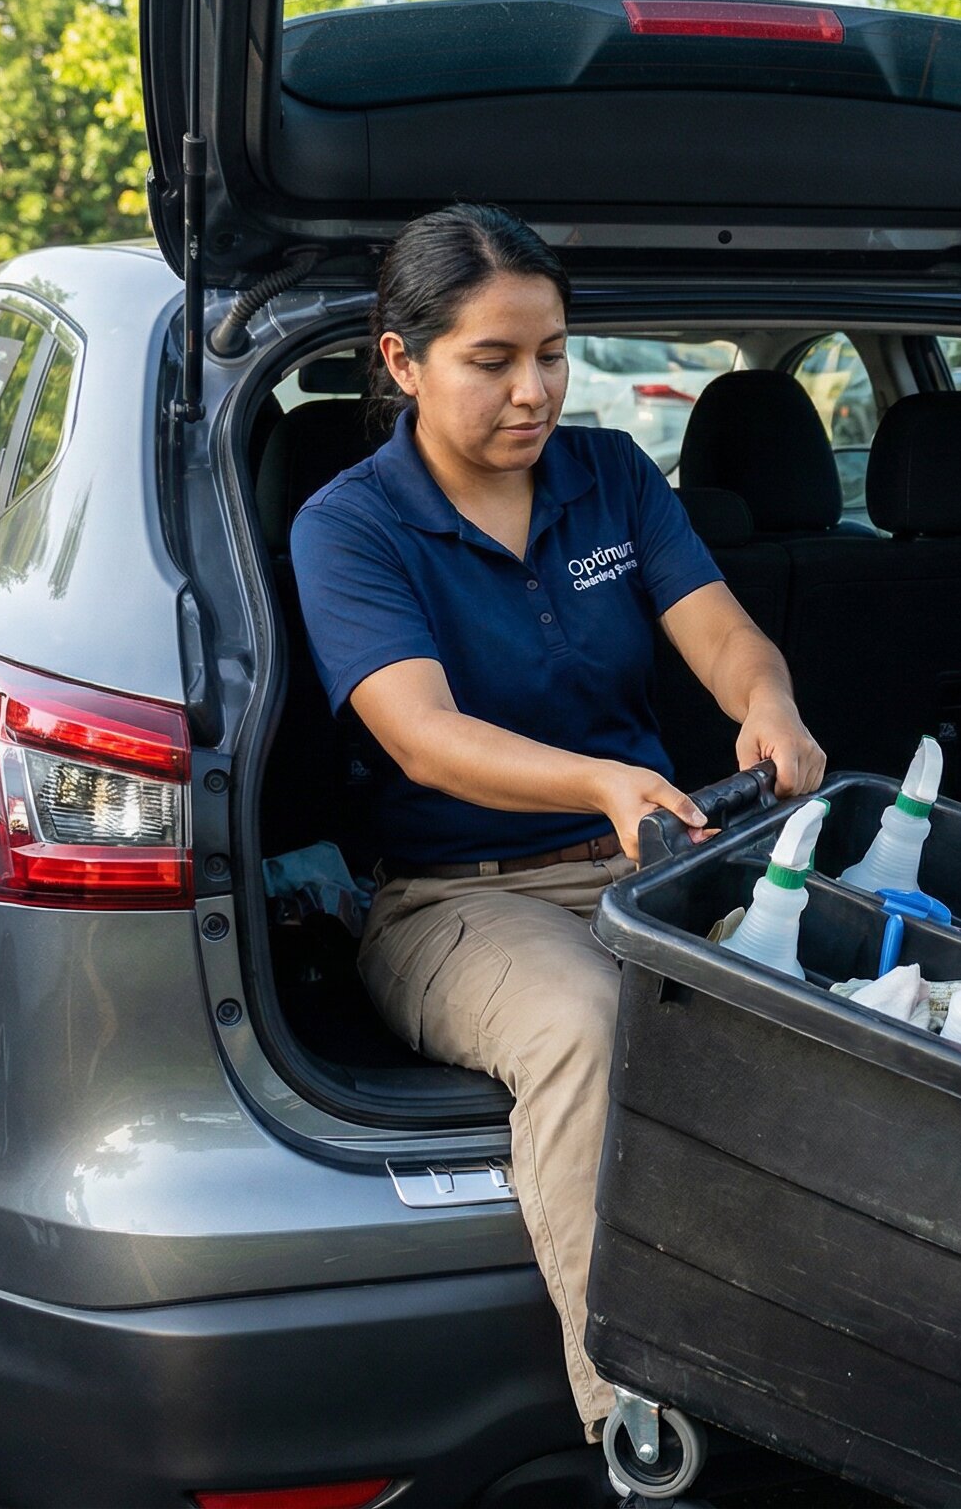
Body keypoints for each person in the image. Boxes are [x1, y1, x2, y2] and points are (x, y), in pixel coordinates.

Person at [288, 202, 826, 1444]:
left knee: (834, 992)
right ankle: (642, 1421)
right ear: (402, 360)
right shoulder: (349, 526)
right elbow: (422, 735)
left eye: (551, 354)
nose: (532, 391)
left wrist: (770, 706)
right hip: (457, 899)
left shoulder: (613, 477)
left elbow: (724, 635)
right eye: (491, 361)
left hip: (655, 863)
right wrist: (599, 783)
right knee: (587, 1026)